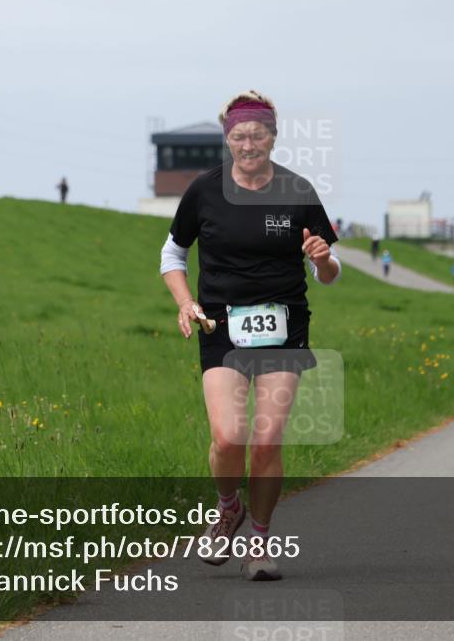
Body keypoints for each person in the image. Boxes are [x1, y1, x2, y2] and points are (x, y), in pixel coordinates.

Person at [159, 90, 341, 581]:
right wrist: (185, 303)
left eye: (257, 134)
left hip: (284, 325)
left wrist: (323, 260)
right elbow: (172, 255)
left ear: (273, 136)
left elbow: (328, 271)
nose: (248, 143)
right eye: (238, 135)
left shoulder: (297, 189)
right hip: (221, 325)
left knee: (265, 440)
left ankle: (259, 541)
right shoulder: (204, 190)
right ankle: (228, 507)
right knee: (227, 437)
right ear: (227, 138)